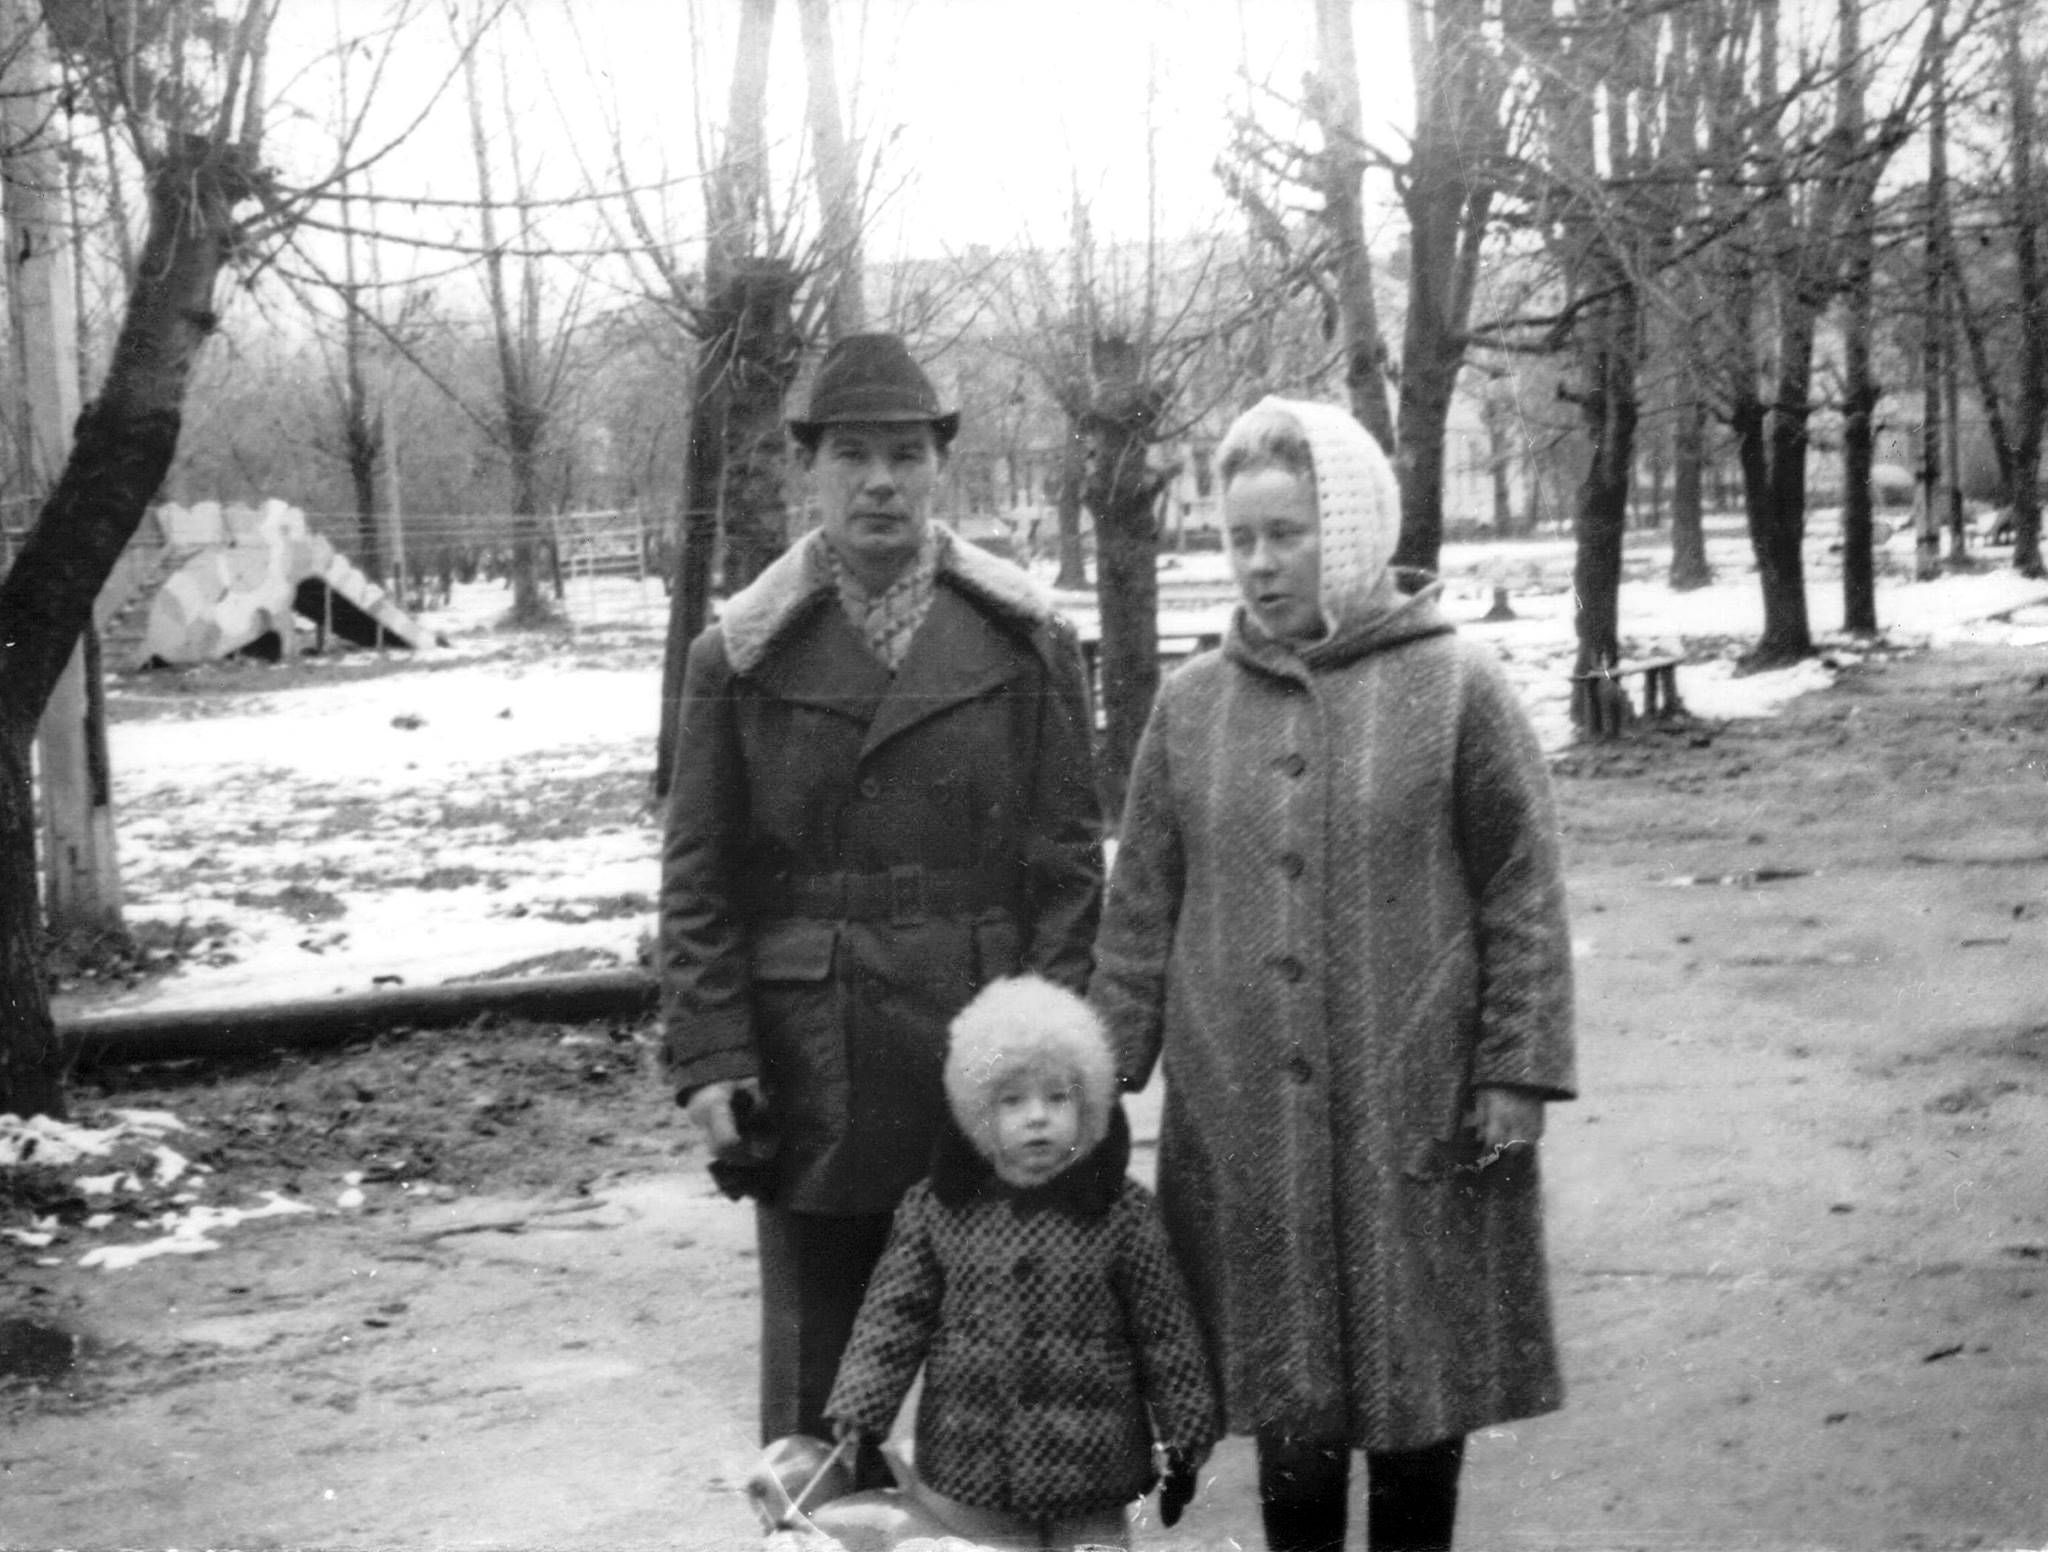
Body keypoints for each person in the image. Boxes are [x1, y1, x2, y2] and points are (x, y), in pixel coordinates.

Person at [1088, 396, 1576, 1552]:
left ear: (1347, 530)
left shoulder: (1455, 684)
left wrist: (1516, 1066)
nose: (1257, 563)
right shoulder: (1192, 705)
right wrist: (1096, 1082)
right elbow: (1140, 904)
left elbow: (1521, 883)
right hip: (1244, 1120)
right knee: (1287, 1405)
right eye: (1238, 538)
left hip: (1417, 1106)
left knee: (1419, 1391)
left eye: (1285, 533)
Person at [659, 333, 1103, 1484]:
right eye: (851, 455)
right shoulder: (738, 654)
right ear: (807, 468)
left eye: (905, 455)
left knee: (997, 1402)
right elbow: (698, 881)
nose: (879, 483)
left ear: (938, 466)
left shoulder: (1025, 640)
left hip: (980, 1054)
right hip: (815, 1065)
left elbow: (1066, 869)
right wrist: (712, 1056)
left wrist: (1050, 1054)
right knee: (818, 1420)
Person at [825, 975, 1221, 1551]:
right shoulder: (938, 1208)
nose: (1037, 1116)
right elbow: (893, 1317)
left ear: (1088, 1103)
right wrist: (862, 1404)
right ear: (977, 1108)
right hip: (971, 1460)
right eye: (1012, 1100)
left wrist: (1185, 1431)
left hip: (1095, 1465)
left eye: (1057, 1098)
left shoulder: (1121, 1211)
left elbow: (1165, 1332)